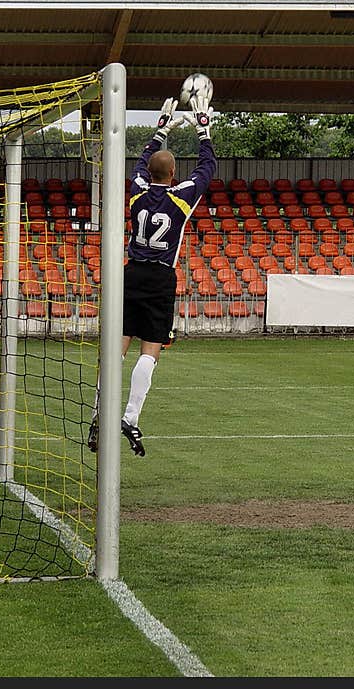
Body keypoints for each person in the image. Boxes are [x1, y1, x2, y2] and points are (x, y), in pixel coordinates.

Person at [88, 89, 216, 457]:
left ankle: (98, 413)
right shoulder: (181, 197)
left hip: (129, 275)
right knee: (151, 349)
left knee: (117, 348)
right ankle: (129, 416)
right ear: (174, 174)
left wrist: (160, 130)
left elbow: (141, 163)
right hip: (161, 277)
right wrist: (203, 130)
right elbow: (207, 169)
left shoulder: (137, 191)